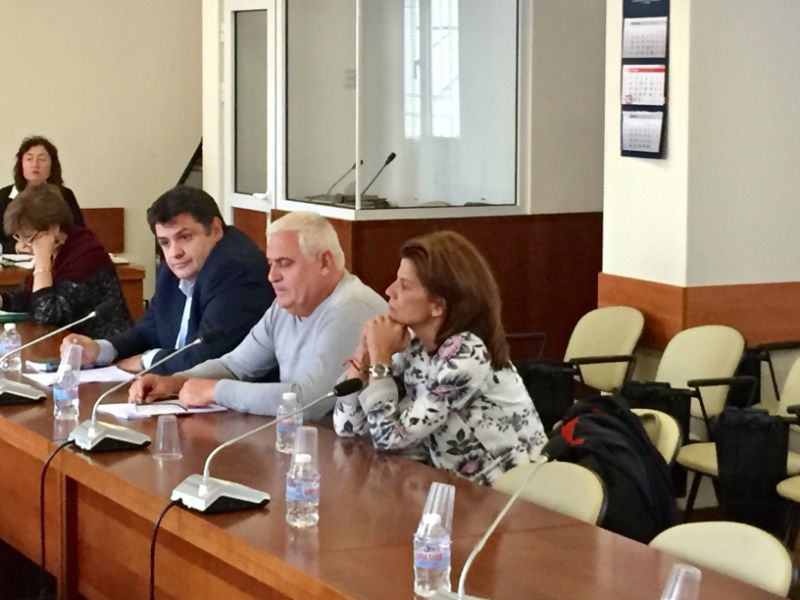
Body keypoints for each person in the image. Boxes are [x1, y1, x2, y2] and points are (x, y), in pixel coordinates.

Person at [333, 230, 547, 485]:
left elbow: (387, 438)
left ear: (438, 305)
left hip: (515, 495)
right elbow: (347, 427)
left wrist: (380, 358)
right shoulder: (417, 348)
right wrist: (363, 355)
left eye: (405, 285)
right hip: (460, 491)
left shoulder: (466, 355)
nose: (390, 291)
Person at [128, 211, 387, 420]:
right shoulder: (285, 307)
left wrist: (215, 391)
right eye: (270, 263)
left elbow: (311, 402)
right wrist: (175, 382)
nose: (272, 276)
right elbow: (235, 366)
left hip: (358, 455)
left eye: (284, 263)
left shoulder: (352, 308)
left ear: (324, 262)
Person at [61, 185, 274, 375]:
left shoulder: (235, 269)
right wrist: (101, 349)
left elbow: (206, 359)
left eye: (185, 237)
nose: (174, 253)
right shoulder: (177, 267)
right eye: (165, 242)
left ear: (216, 229)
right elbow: (149, 330)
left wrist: (147, 361)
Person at [0, 184, 131, 338]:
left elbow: (47, 315)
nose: (21, 245)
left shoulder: (86, 255)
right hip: (71, 344)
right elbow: (32, 298)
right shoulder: (58, 249)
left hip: (106, 346)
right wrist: (3, 300)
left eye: (29, 238)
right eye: (18, 237)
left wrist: (42, 261)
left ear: (53, 228)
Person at [0, 136, 84, 252]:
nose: (35, 164)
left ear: (52, 165)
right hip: (15, 260)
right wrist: (15, 246)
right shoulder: (4, 195)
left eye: (42, 159)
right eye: (29, 159)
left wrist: (54, 244)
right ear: (21, 164)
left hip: (57, 256)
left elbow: (79, 234)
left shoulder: (65, 195)